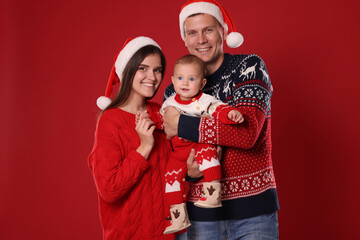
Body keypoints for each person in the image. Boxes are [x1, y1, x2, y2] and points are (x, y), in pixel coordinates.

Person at [162, 0, 280, 239]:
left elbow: (246, 133)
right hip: (199, 218)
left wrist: (182, 124)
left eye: (208, 30)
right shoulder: (172, 93)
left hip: (253, 213)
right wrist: (190, 172)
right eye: (192, 33)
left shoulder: (249, 67)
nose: (201, 39)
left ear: (223, 32)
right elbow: (174, 152)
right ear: (184, 39)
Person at [88, 36, 176, 240]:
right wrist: (144, 147)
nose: (152, 77)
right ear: (128, 70)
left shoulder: (162, 112)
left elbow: (175, 171)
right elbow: (109, 190)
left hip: (172, 234)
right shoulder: (110, 121)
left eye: (157, 70)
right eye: (143, 68)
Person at [153, 54, 243, 234]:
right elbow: (161, 122)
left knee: (207, 151)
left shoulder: (203, 100)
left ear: (201, 84)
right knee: (170, 176)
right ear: (172, 80)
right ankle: (178, 216)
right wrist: (151, 121)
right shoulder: (169, 102)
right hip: (179, 152)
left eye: (191, 79)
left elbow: (217, 109)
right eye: (180, 78)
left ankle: (213, 192)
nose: (184, 83)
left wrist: (230, 113)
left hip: (197, 143)